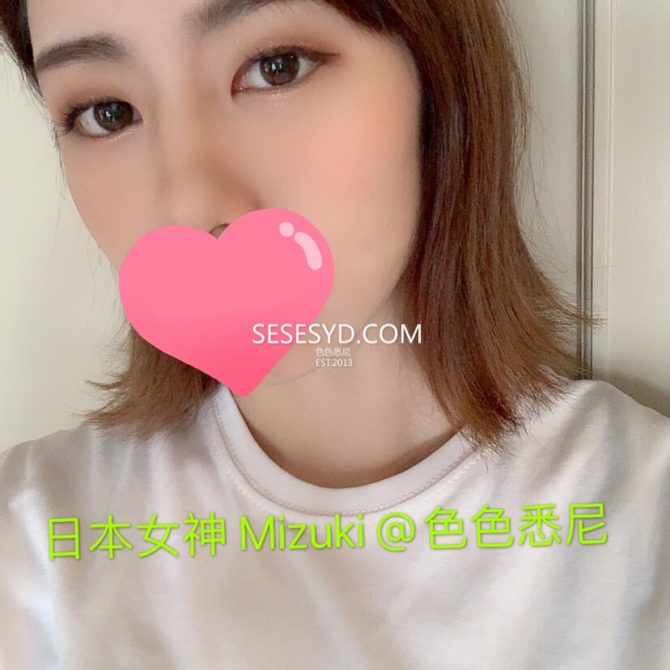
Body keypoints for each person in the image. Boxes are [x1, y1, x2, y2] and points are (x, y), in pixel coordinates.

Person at [1, 0, 668, 668]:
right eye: (107, 113)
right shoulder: (33, 539)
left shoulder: (644, 523)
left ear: (436, 73)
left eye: (276, 67)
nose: (190, 204)